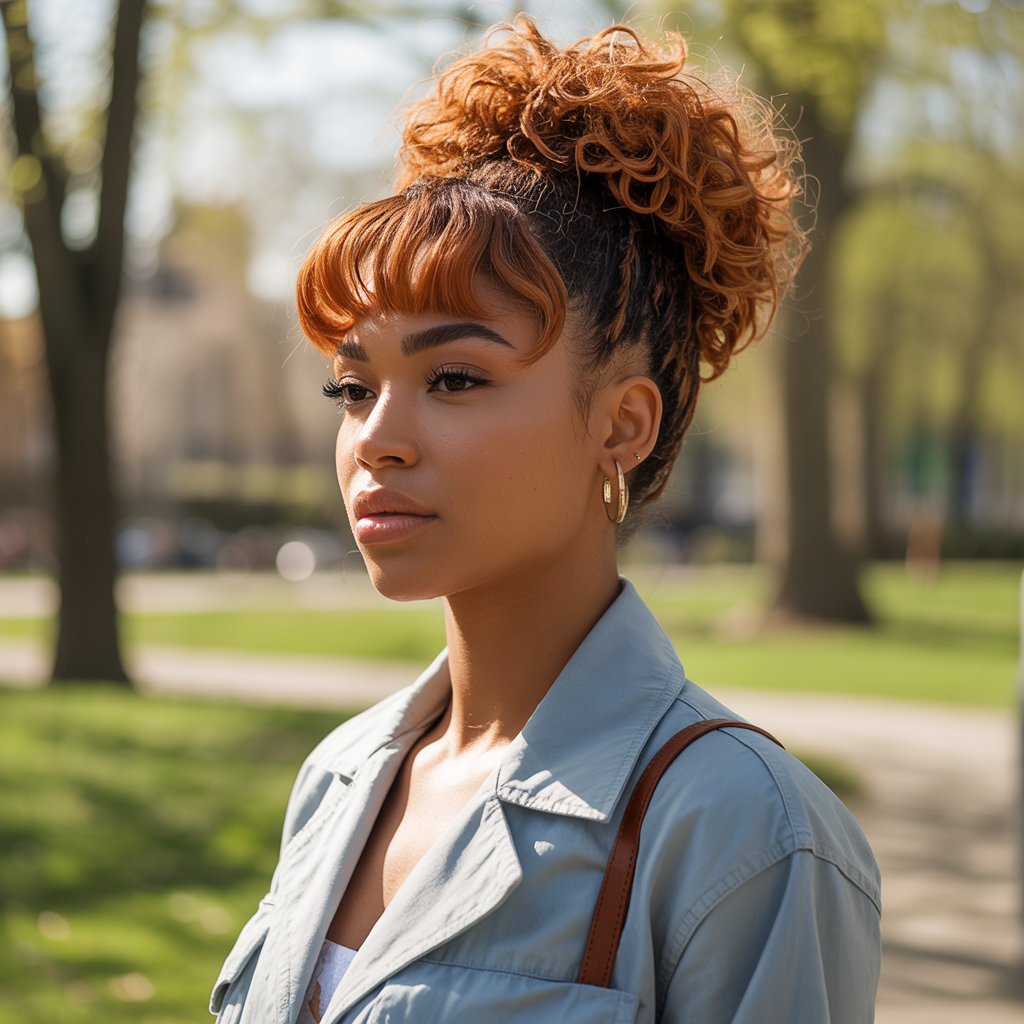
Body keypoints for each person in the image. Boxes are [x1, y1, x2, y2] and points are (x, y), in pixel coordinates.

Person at [211, 17, 880, 1024]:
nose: (378, 440)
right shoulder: (339, 777)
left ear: (621, 424)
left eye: (455, 377)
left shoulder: (741, 830)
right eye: (352, 390)